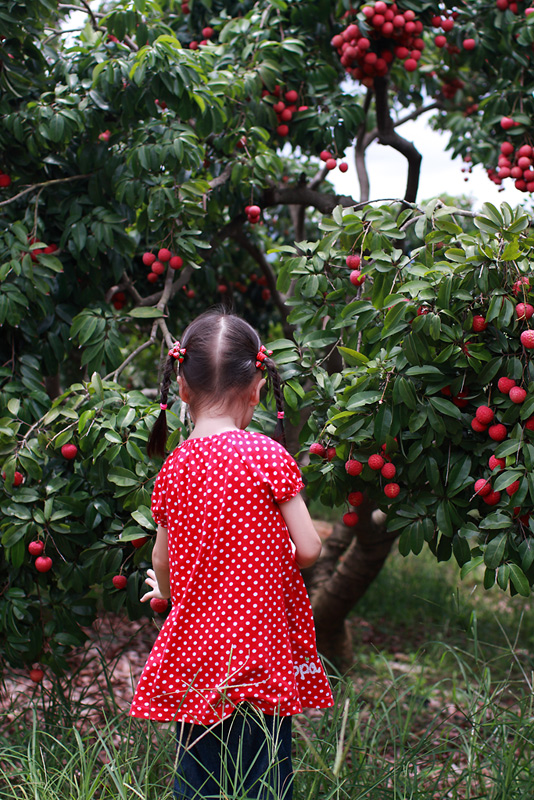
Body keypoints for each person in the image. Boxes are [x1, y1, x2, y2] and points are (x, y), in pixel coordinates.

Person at [130, 310, 334, 799]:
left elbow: (163, 561)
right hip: (260, 653)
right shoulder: (267, 456)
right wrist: (269, 551)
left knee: (198, 775)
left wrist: (169, 590)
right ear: (256, 387)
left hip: (198, 657)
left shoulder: (173, 469)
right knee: (263, 774)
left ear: (181, 388)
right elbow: (308, 549)